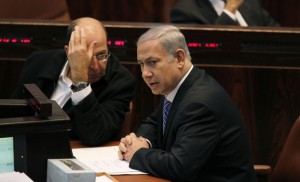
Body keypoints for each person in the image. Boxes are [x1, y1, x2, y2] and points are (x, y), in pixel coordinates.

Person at [118, 25, 257, 181]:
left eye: (152, 62)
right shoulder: (178, 85)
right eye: (141, 64)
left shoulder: (199, 103)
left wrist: (138, 153)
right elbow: (155, 122)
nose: (145, 73)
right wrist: (140, 141)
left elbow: (179, 167)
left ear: (179, 58)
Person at [12, 17, 136, 146]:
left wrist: (80, 82)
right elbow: (14, 113)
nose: (95, 66)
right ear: (68, 51)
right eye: (85, 57)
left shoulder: (121, 81)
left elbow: (95, 135)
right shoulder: (39, 62)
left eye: (101, 55)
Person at [170, 0, 280, 26]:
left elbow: (277, 36)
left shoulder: (250, 2)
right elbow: (210, 51)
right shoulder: (184, 11)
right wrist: (230, 10)